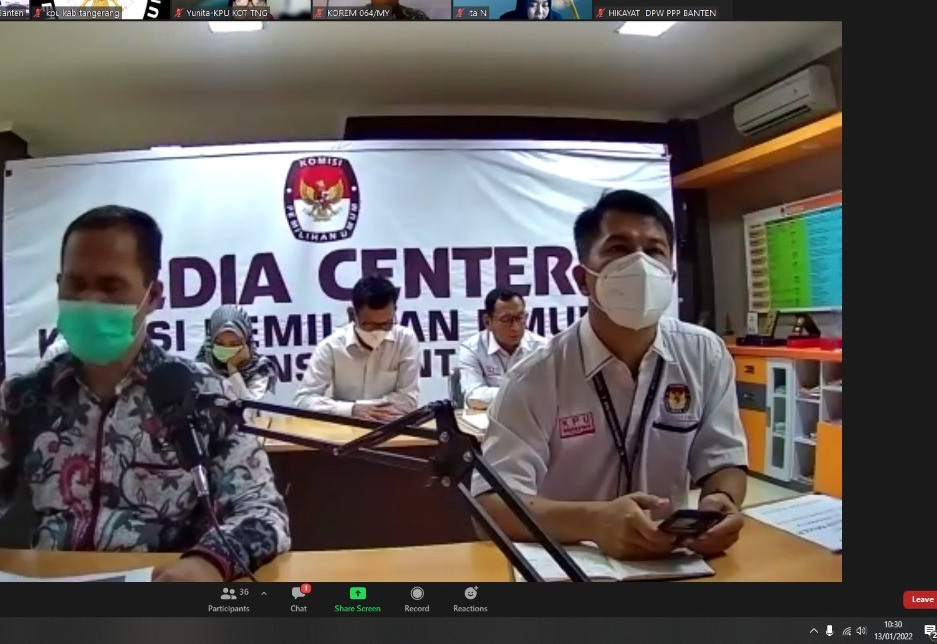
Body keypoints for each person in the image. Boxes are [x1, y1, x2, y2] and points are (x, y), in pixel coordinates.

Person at [0, 206, 290, 582]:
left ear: (153, 296)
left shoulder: (202, 395)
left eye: (111, 287)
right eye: (76, 284)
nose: (89, 301)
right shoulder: (23, 397)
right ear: (58, 285)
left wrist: (210, 563)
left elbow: (262, 511)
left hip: (162, 593)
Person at [473, 190, 748, 561]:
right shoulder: (534, 378)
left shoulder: (704, 354)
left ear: (671, 275)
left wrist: (722, 500)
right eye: (619, 248)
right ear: (582, 279)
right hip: (574, 568)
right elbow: (490, 506)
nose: (640, 264)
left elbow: (724, 459)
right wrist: (593, 522)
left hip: (674, 563)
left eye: (654, 250)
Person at [292, 273, 421, 422]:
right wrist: (351, 410)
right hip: (345, 429)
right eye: (370, 325)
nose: (378, 332)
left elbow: (408, 400)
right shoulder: (331, 347)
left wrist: (361, 409)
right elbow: (303, 401)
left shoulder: (405, 340)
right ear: (352, 315)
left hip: (391, 427)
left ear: (394, 312)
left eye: (386, 324)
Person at [457, 287, 548, 410]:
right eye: (506, 320)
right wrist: (523, 393)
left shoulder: (542, 348)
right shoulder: (472, 349)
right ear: (487, 322)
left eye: (520, 318)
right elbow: (473, 397)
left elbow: (553, 393)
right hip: (486, 418)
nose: (515, 327)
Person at [195, 304, 277, 412]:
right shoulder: (200, 368)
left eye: (234, 344)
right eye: (219, 343)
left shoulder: (260, 369)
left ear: (246, 342)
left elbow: (250, 412)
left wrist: (232, 369)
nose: (226, 348)